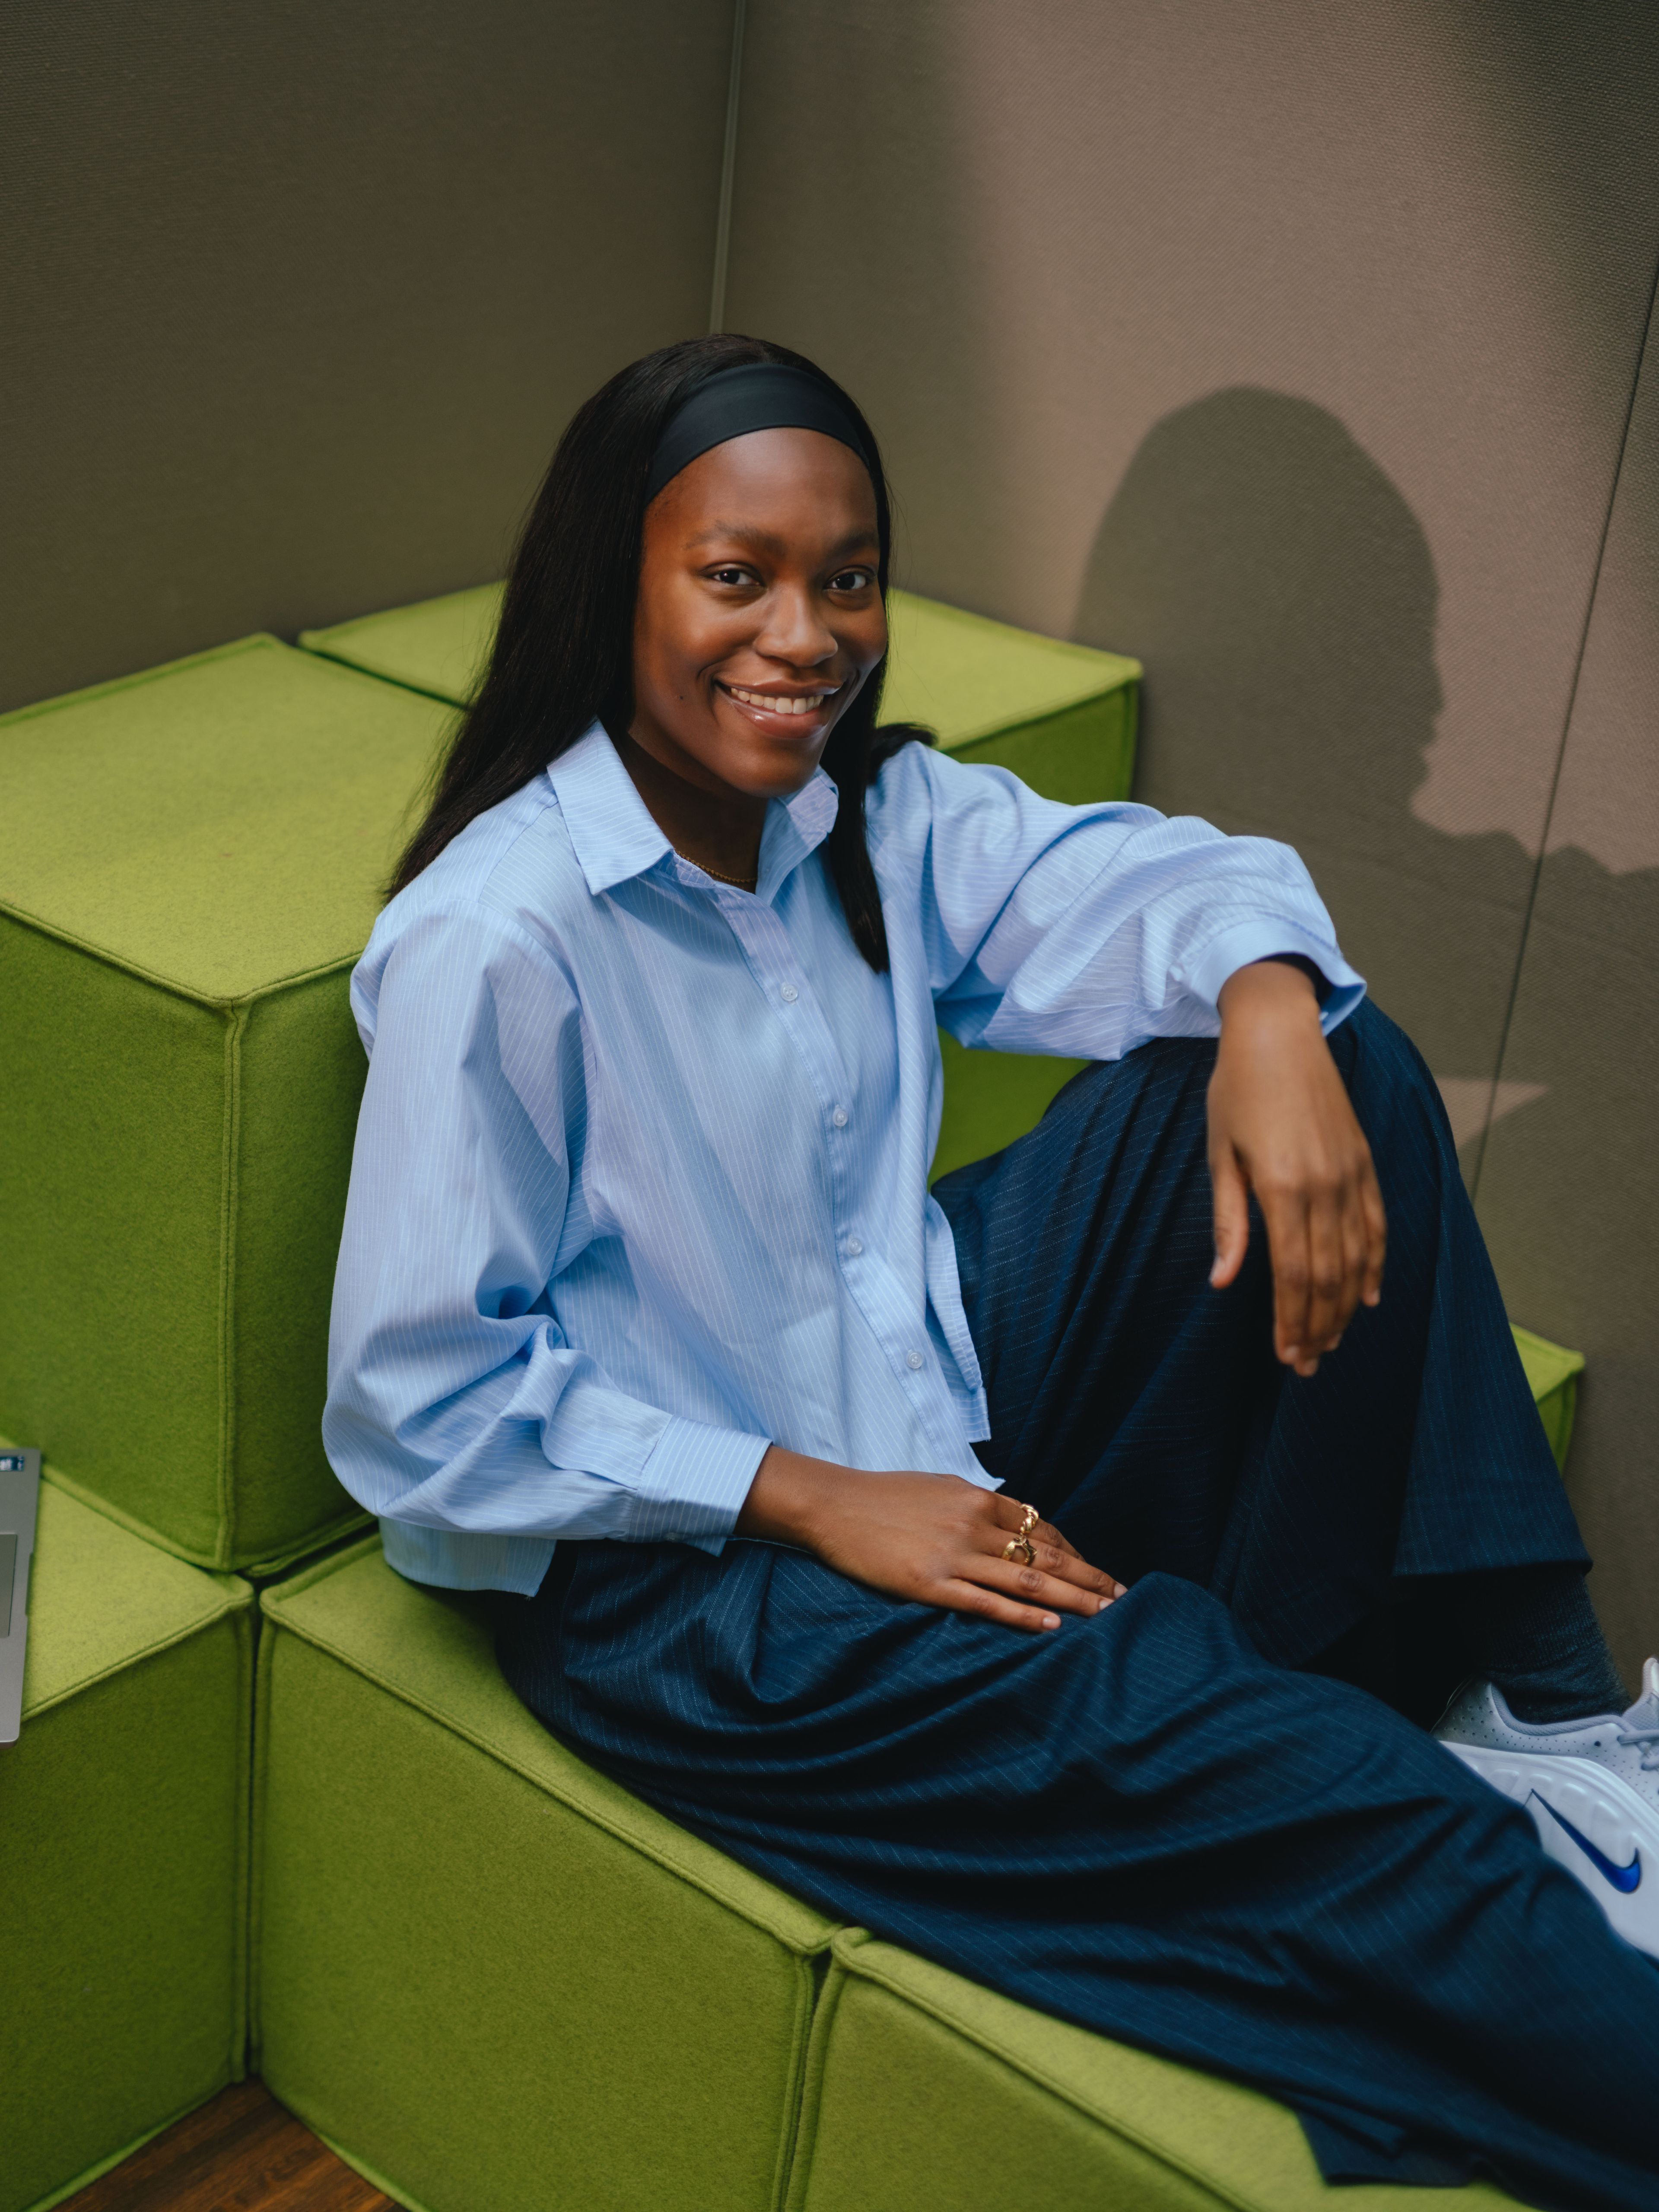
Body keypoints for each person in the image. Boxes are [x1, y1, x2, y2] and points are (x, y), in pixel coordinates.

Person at [324, 334, 1659, 2209]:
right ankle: (1503, 1886)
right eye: (737, 576)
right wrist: (814, 1500)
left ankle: (1530, 1710)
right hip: (685, 1582)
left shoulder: (865, 818)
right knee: (1236, 1748)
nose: (804, 634)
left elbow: (1173, 881)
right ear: (611, 578)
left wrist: (1269, 1006)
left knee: (1336, 1052)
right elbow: (419, 1414)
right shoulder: (499, 937)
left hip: (908, 1375)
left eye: (846, 576)